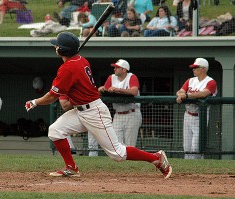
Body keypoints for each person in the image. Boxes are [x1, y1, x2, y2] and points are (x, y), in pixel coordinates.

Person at [25, 31, 172, 178]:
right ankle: (71, 167)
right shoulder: (81, 60)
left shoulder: (68, 68)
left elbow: (51, 97)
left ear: (62, 50)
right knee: (55, 130)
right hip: (81, 111)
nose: (55, 47)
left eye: (57, 46)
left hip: (94, 112)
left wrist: (34, 102)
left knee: (118, 154)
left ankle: (156, 158)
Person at [176, 58, 217, 159]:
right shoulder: (190, 80)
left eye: (195, 68)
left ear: (203, 69)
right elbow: (180, 91)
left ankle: (198, 172)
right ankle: (188, 171)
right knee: (187, 146)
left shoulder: (210, 81)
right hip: (188, 115)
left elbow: (204, 93)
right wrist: (180, 95)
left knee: (196, 147)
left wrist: (186, 95)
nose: (193, 69)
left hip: (200, 116)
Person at [98, 59, 142, 147]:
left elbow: (134, 91)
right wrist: (101, 90)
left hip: (132, 113)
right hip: (118, 114)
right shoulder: (111, 77)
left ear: (124, 69)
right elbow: (104, 92)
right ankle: (119, 160)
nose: (114, 69)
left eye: (117, 67)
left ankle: (129, 161)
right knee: (115, 144)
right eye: (114, 67)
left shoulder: (131, 77)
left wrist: (117, 89)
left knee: (130, 145)